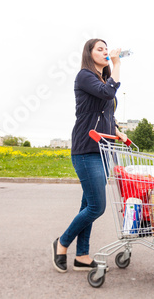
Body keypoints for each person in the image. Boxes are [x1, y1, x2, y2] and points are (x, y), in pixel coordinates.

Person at [52, 38, 127, 273]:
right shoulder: (84, 76)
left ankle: (82, 255)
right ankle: (62, 243)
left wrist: (117, 131)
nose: (105, 51)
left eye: (107, 48)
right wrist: (117, 65)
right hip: (86, 149)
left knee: (88, 204)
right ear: (89, 53)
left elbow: (106, 113)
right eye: (100, 49)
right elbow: (106, 94)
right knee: (96, 207)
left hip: (104, 150)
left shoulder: (103, 80)